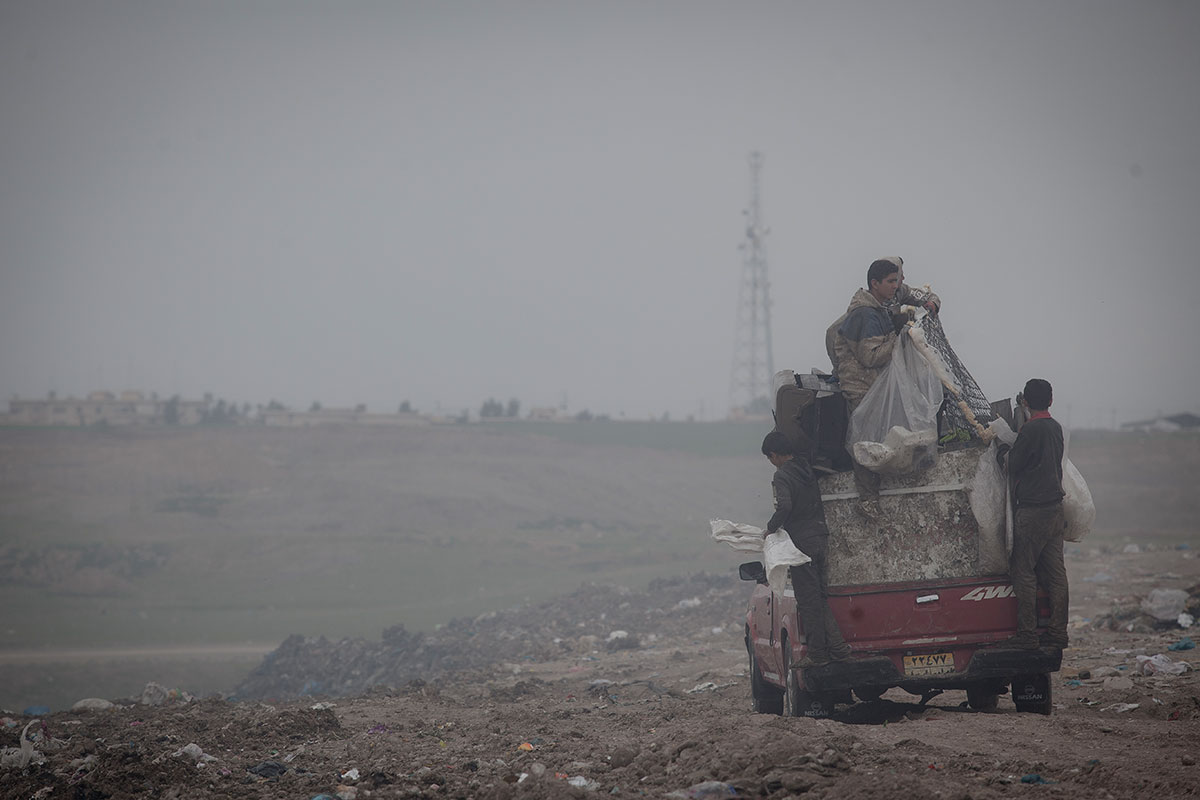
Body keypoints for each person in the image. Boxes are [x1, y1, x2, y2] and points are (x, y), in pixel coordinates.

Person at [826, 258, 938, 514]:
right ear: (874, 284)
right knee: (864, 442)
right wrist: (902, 335)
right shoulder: (864, 314)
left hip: (879, 386)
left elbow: (925, 294)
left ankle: (892, 482)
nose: (895, 286)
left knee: (888, 435)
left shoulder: (890, 299)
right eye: (890, 282)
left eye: (897, 280)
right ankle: (868, 501)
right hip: (861, 388)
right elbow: (871, 356)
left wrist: (931, 304)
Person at [761, 431, 851, 667]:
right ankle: (839, 649)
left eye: (770, 458)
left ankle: (818, 655)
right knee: (820, 597)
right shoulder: (806, 468)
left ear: (774, 455)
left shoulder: (782, 475)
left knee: (808, 601)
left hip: (802, 544)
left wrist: (770, 528)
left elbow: (785, 506)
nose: (771, 462)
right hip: (820, 537)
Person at [996, 378, 1069, 650]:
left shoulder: (1030, 430)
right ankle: (1058, 632)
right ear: (1050, 400)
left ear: (1025, 402)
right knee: (1056, 573)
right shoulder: (1054, 427)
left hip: (1033, 512)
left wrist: (1003, 449)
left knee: (1023, 570)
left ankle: (1027, 635)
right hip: (1054, 511)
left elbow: (1013, 466)